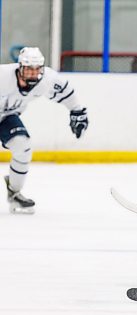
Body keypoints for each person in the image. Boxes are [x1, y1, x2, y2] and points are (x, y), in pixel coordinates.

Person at [0, 47, 88, 214]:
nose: (33, 74)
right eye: (29, 69)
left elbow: (67, 93)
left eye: (36, 69)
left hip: (6, 117)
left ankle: (14, 193)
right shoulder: (3, 75)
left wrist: (77, 111)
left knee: (23, 146)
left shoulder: (47, 80)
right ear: (20, 68)